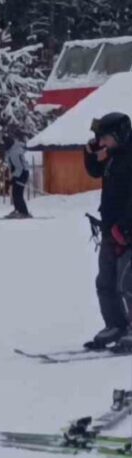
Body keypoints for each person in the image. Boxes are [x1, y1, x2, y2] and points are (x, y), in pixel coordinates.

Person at [84, 112, 132, 350]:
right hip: (110, 227)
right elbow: (93, 169)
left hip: (127, 229)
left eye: (105, 138)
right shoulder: (113, 156)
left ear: (120, 135)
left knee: (128, 281)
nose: (102, 143)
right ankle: (115, 324)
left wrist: (125, 226)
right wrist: (90, 149)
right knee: (105, 280)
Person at [4, 133, 31, 219]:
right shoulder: (10, 151)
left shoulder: (14, 152)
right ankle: (17, 210)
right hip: (19, 173)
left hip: (22, 173)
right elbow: (12, 167)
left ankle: (24, 212)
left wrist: (14, 179)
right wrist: (12, 179)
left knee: (18, 193)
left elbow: (19, 167)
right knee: (15, 193)